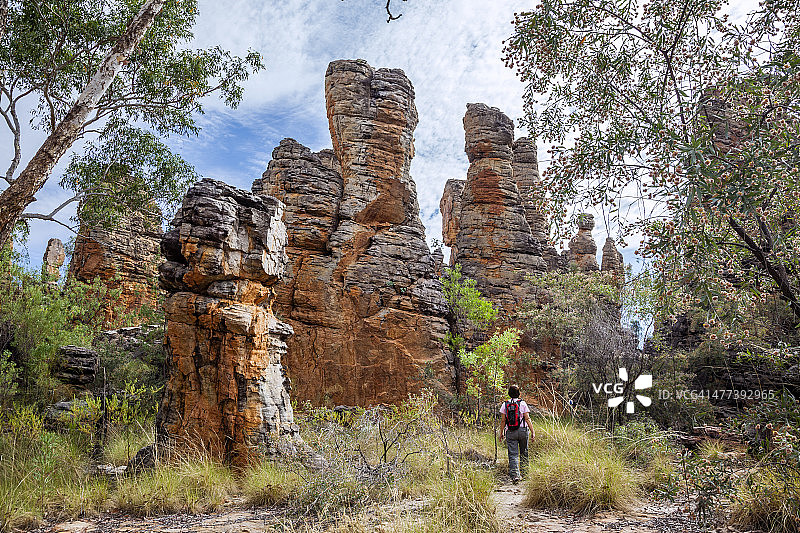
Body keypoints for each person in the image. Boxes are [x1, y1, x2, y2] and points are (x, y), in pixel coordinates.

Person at [499, 384, 535, 483]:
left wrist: (501, 433)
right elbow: (527, 418)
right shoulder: (522, 403)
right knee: (524, 453)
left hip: (510, 432)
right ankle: (525, 474)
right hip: (523, 431)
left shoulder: (505, 404)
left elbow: (503, 421)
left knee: (513, 454)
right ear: (519, 393)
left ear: (509, 393)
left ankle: (515, 476)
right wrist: (532, 431)